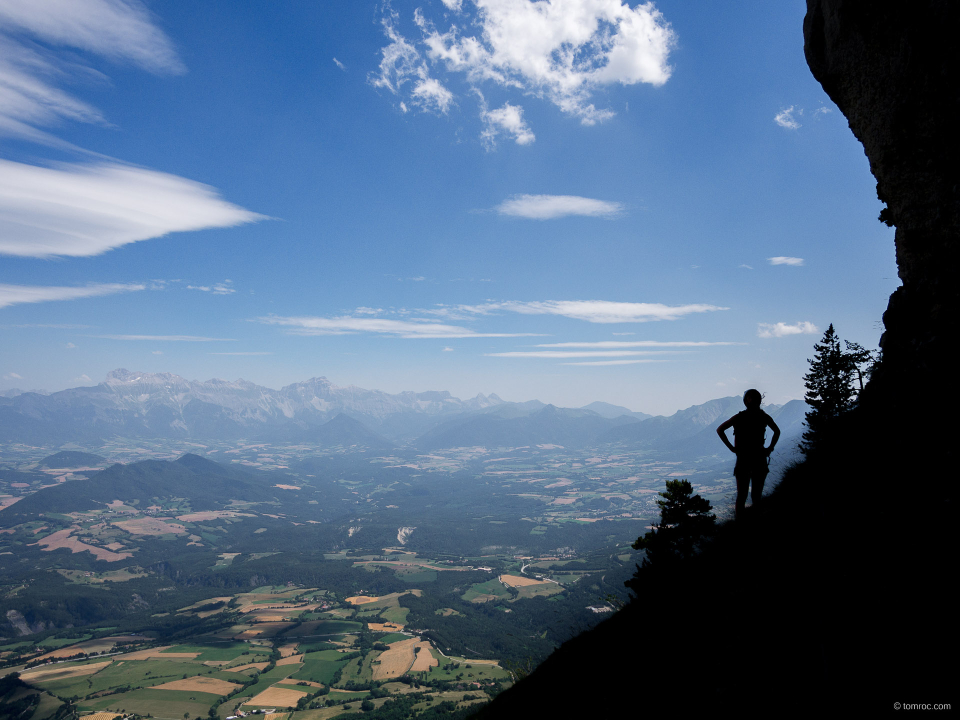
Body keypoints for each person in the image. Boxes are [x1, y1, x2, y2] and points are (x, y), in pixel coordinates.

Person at [716, 389, 780, 519]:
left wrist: (732, 448)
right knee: (756, 495)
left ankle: (741, 525)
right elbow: (776, 431)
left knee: (742, 496)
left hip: (743, 459)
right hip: (759, 458)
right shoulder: (763, 416)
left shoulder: (740, 417)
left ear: (745, 401)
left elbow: (720, 429)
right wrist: (769, 448)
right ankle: (756, 522)